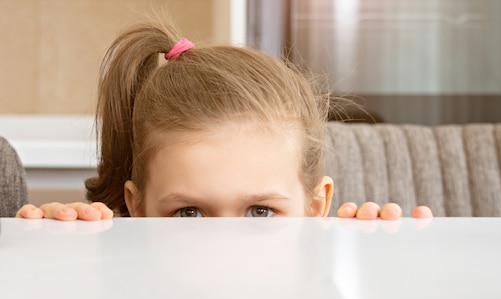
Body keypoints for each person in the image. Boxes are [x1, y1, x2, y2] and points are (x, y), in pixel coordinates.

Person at [16, 22, 432, 222]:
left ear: (314, 206)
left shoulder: (330, 292)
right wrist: (56, 265)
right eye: (190, 213)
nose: (225, 247)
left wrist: (382, 271)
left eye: (260, 213)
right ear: (136, 206)